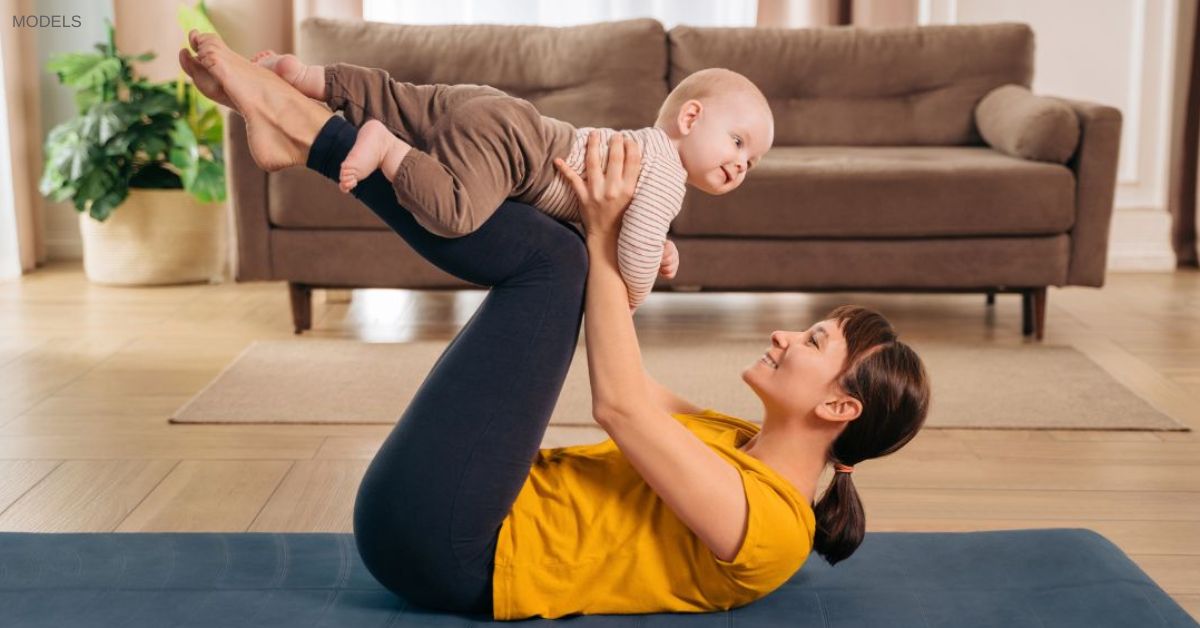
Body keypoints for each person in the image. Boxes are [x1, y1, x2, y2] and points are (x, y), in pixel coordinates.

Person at [178, 30, 930, 621]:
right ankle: (308, 126)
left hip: (454, 551)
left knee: (562, 263)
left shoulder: (772, 530)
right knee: (557, 253)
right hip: (457, 509)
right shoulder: (735, 441)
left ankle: (308, 124)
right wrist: (606, 231)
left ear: (839, 406)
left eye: (812, 343)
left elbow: (619, 405)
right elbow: (630, 376)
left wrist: (608, 237)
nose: (783, 336)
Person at [227, 50, 772, 311]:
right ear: (691, 118)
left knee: (406, 100)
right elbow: (629, 259)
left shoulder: (645, 155)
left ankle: (311, 79)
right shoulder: (668, 178)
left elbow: (629, 222)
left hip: (505, 112)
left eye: (751, 164)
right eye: (739, 142)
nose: (741, 166)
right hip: (519, 150)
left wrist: (660, 245)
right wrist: (639, 285)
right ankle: (386, 147)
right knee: (454, 212)